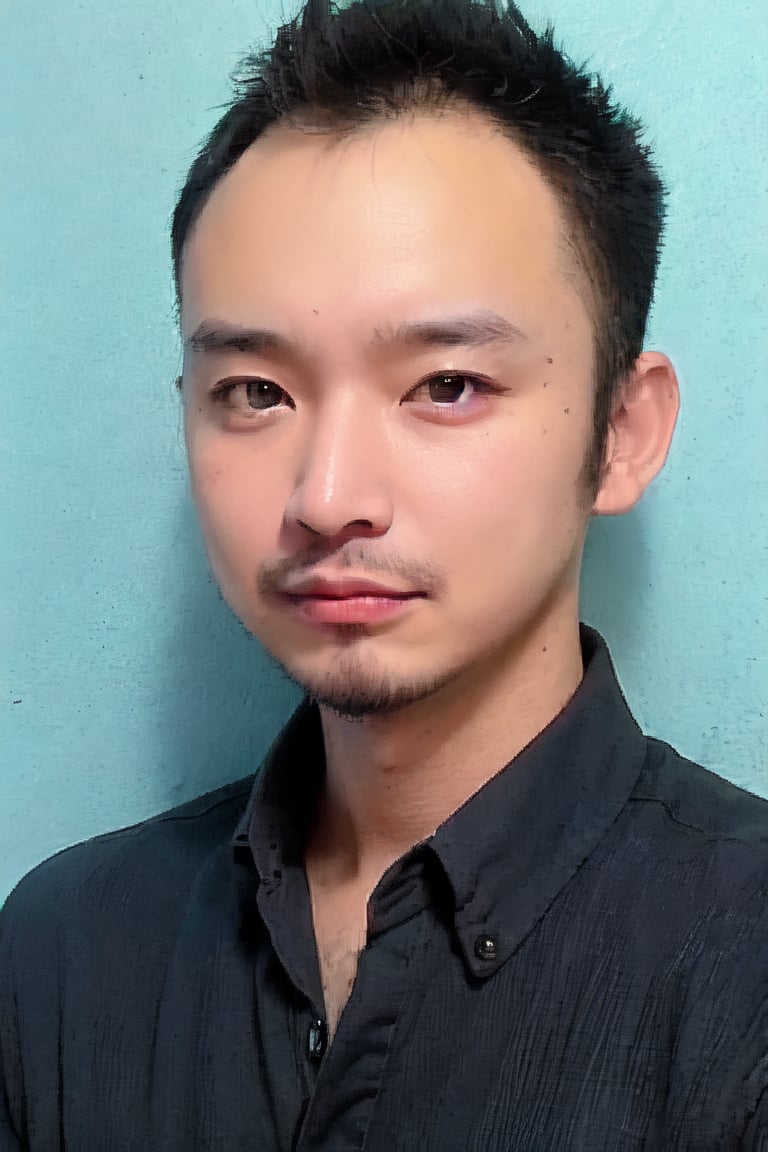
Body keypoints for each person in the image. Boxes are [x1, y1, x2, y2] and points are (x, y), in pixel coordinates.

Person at [1, 0, 766, 1146]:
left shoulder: (742, 963)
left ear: (622, 431)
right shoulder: (66, 948)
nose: (325, 497)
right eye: (254, 392)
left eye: (445, 384)